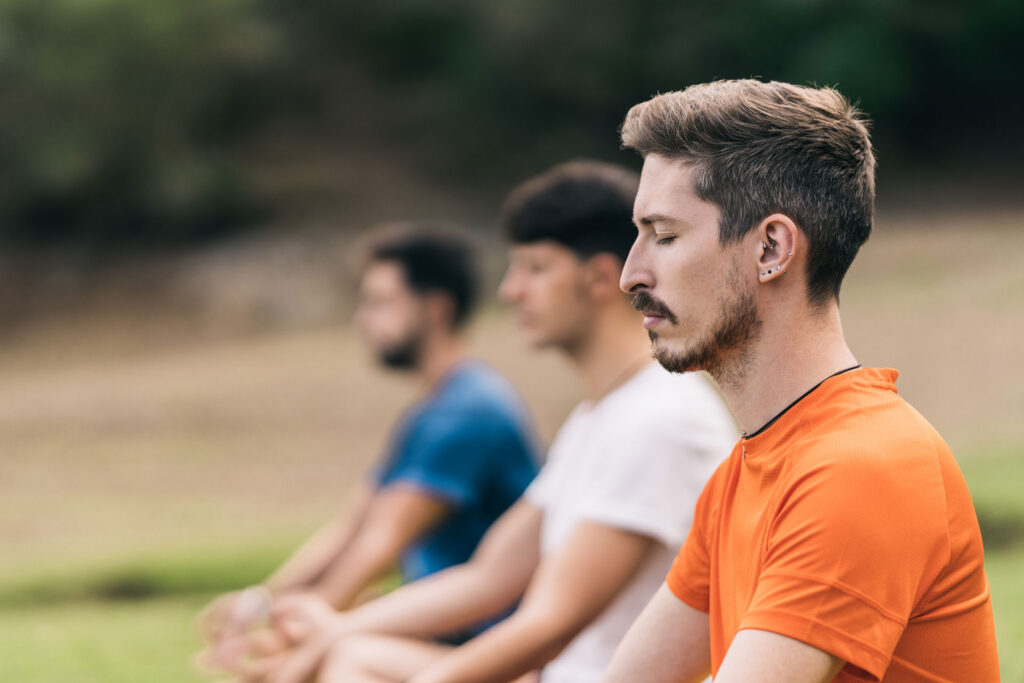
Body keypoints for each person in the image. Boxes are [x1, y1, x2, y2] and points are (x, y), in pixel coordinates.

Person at [236, 160, 737, 683]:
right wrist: (336, 631)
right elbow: (489, 577)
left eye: (535, 269)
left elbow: (551, 622)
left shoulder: (657, 419)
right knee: (351, 656)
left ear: (598, 277)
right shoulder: (599, 416)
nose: (510, 290)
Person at [602, 79, 1000, 682]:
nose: (631, 274)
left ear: (771, 249)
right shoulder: (742, 473)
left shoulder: (863, 468)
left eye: (665, 236)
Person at [197, 225, 541, 672]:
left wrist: (293, 649)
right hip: (443, 638)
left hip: (493, 652)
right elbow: (351, 528)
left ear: (435, 308)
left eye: (380, 302)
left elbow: (377, 548)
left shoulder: (468, 413)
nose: (364, 319)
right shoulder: (434, 410)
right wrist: (259, 605)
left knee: (334, 657)